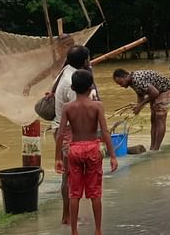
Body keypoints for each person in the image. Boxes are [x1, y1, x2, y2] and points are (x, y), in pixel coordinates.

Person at [55, 69, 118, 235]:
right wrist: (112, 155)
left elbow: (61, 133)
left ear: (73, 88)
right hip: (92, 148)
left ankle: (74, 231)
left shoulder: (68, 107)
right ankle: (98, 230)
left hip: (74, 149)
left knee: (74, 193)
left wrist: (58, 158)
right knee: (95, 193)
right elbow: (105, 132)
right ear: (91, 87)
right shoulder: (97, 106)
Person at [53, 45, 92, 225]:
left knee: (70, 174)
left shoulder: (66, 72)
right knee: (70, 175)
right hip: (69, 131)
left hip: (64, 129)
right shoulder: (72, 82)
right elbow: (80, 109)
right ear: (85, 61)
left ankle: (68, 215)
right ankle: (67, 216)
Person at [112, 68, 170, 150]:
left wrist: (140, 105)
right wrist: (139, 106)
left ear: (125, 77)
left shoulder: (137, 80)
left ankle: (156, 148)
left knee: (160, 118)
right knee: (153, 119)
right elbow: (140, 94)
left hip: (165, 90)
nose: (121, 85)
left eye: (121, 83)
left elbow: (155, 93)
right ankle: (153, 147)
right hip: (157, 90)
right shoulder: (132, 81)